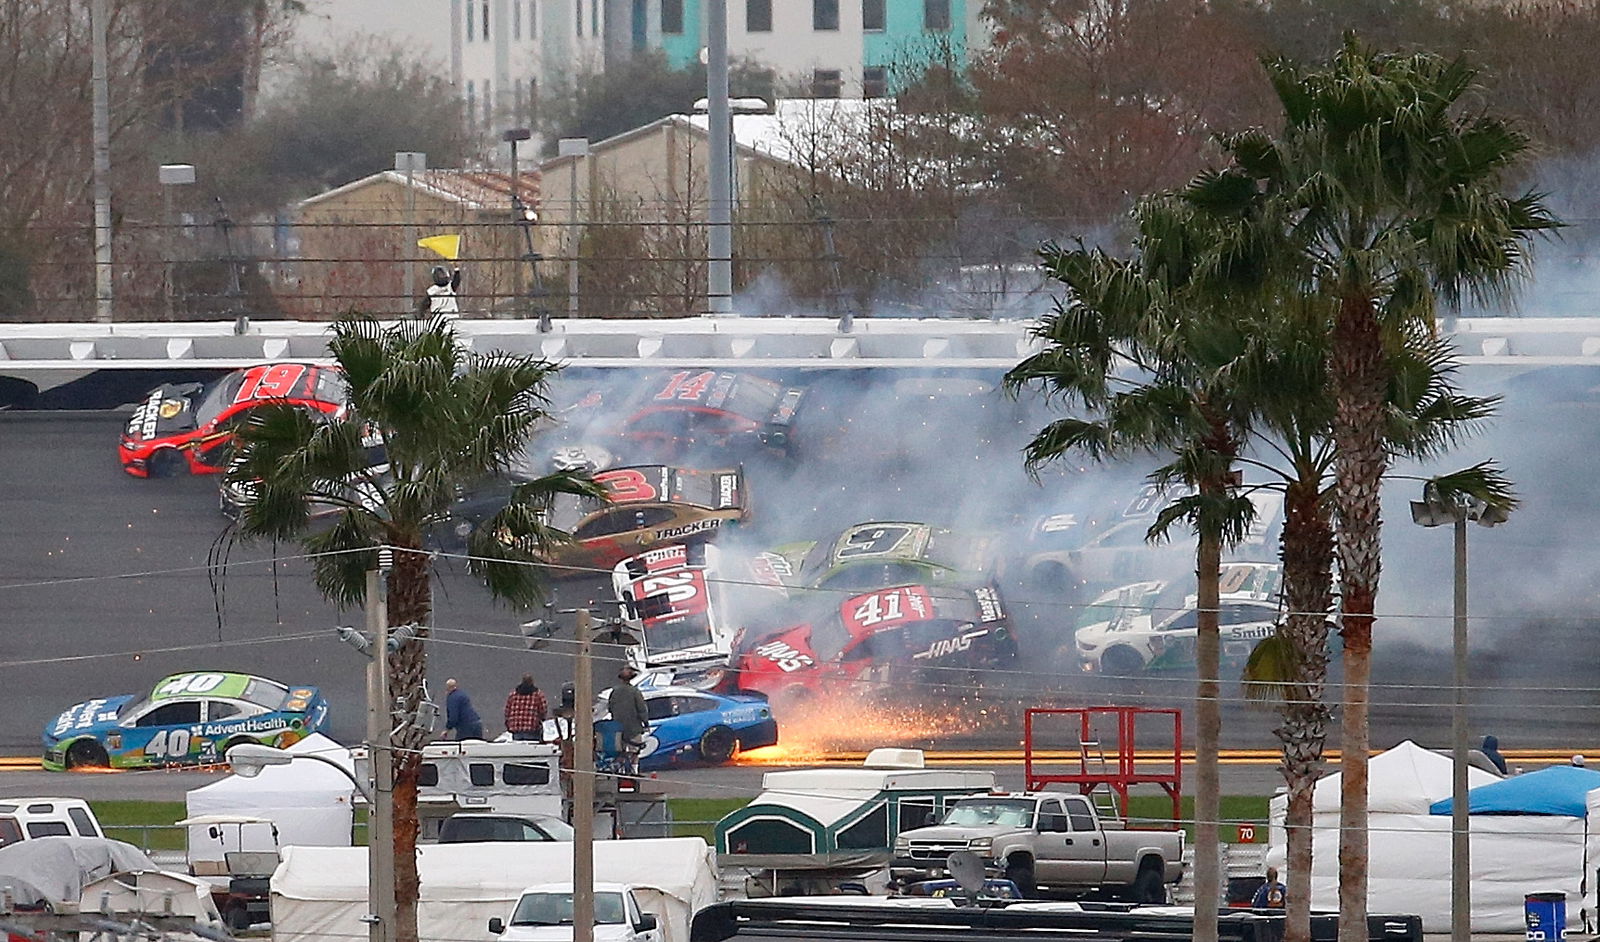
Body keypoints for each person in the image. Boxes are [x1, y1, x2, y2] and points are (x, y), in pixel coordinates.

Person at [606, 665, 649, 778]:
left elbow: (610, 708)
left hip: (618, 728)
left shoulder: (614, 692)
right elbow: (642, 710)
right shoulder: (635, 692)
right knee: (635, 751)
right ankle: (634, 771)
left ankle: (620, 771)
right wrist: (645, 723)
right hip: (634, 728)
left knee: (620, 751)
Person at [504, 674, 547, 741]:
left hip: (516, 730)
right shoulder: (538, 695)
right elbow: (543, 711)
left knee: (519, 750)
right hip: (532, 729)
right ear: (532, 682)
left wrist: (509, 724)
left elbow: (507, 711)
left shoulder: (513, 694)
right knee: (532, 749)